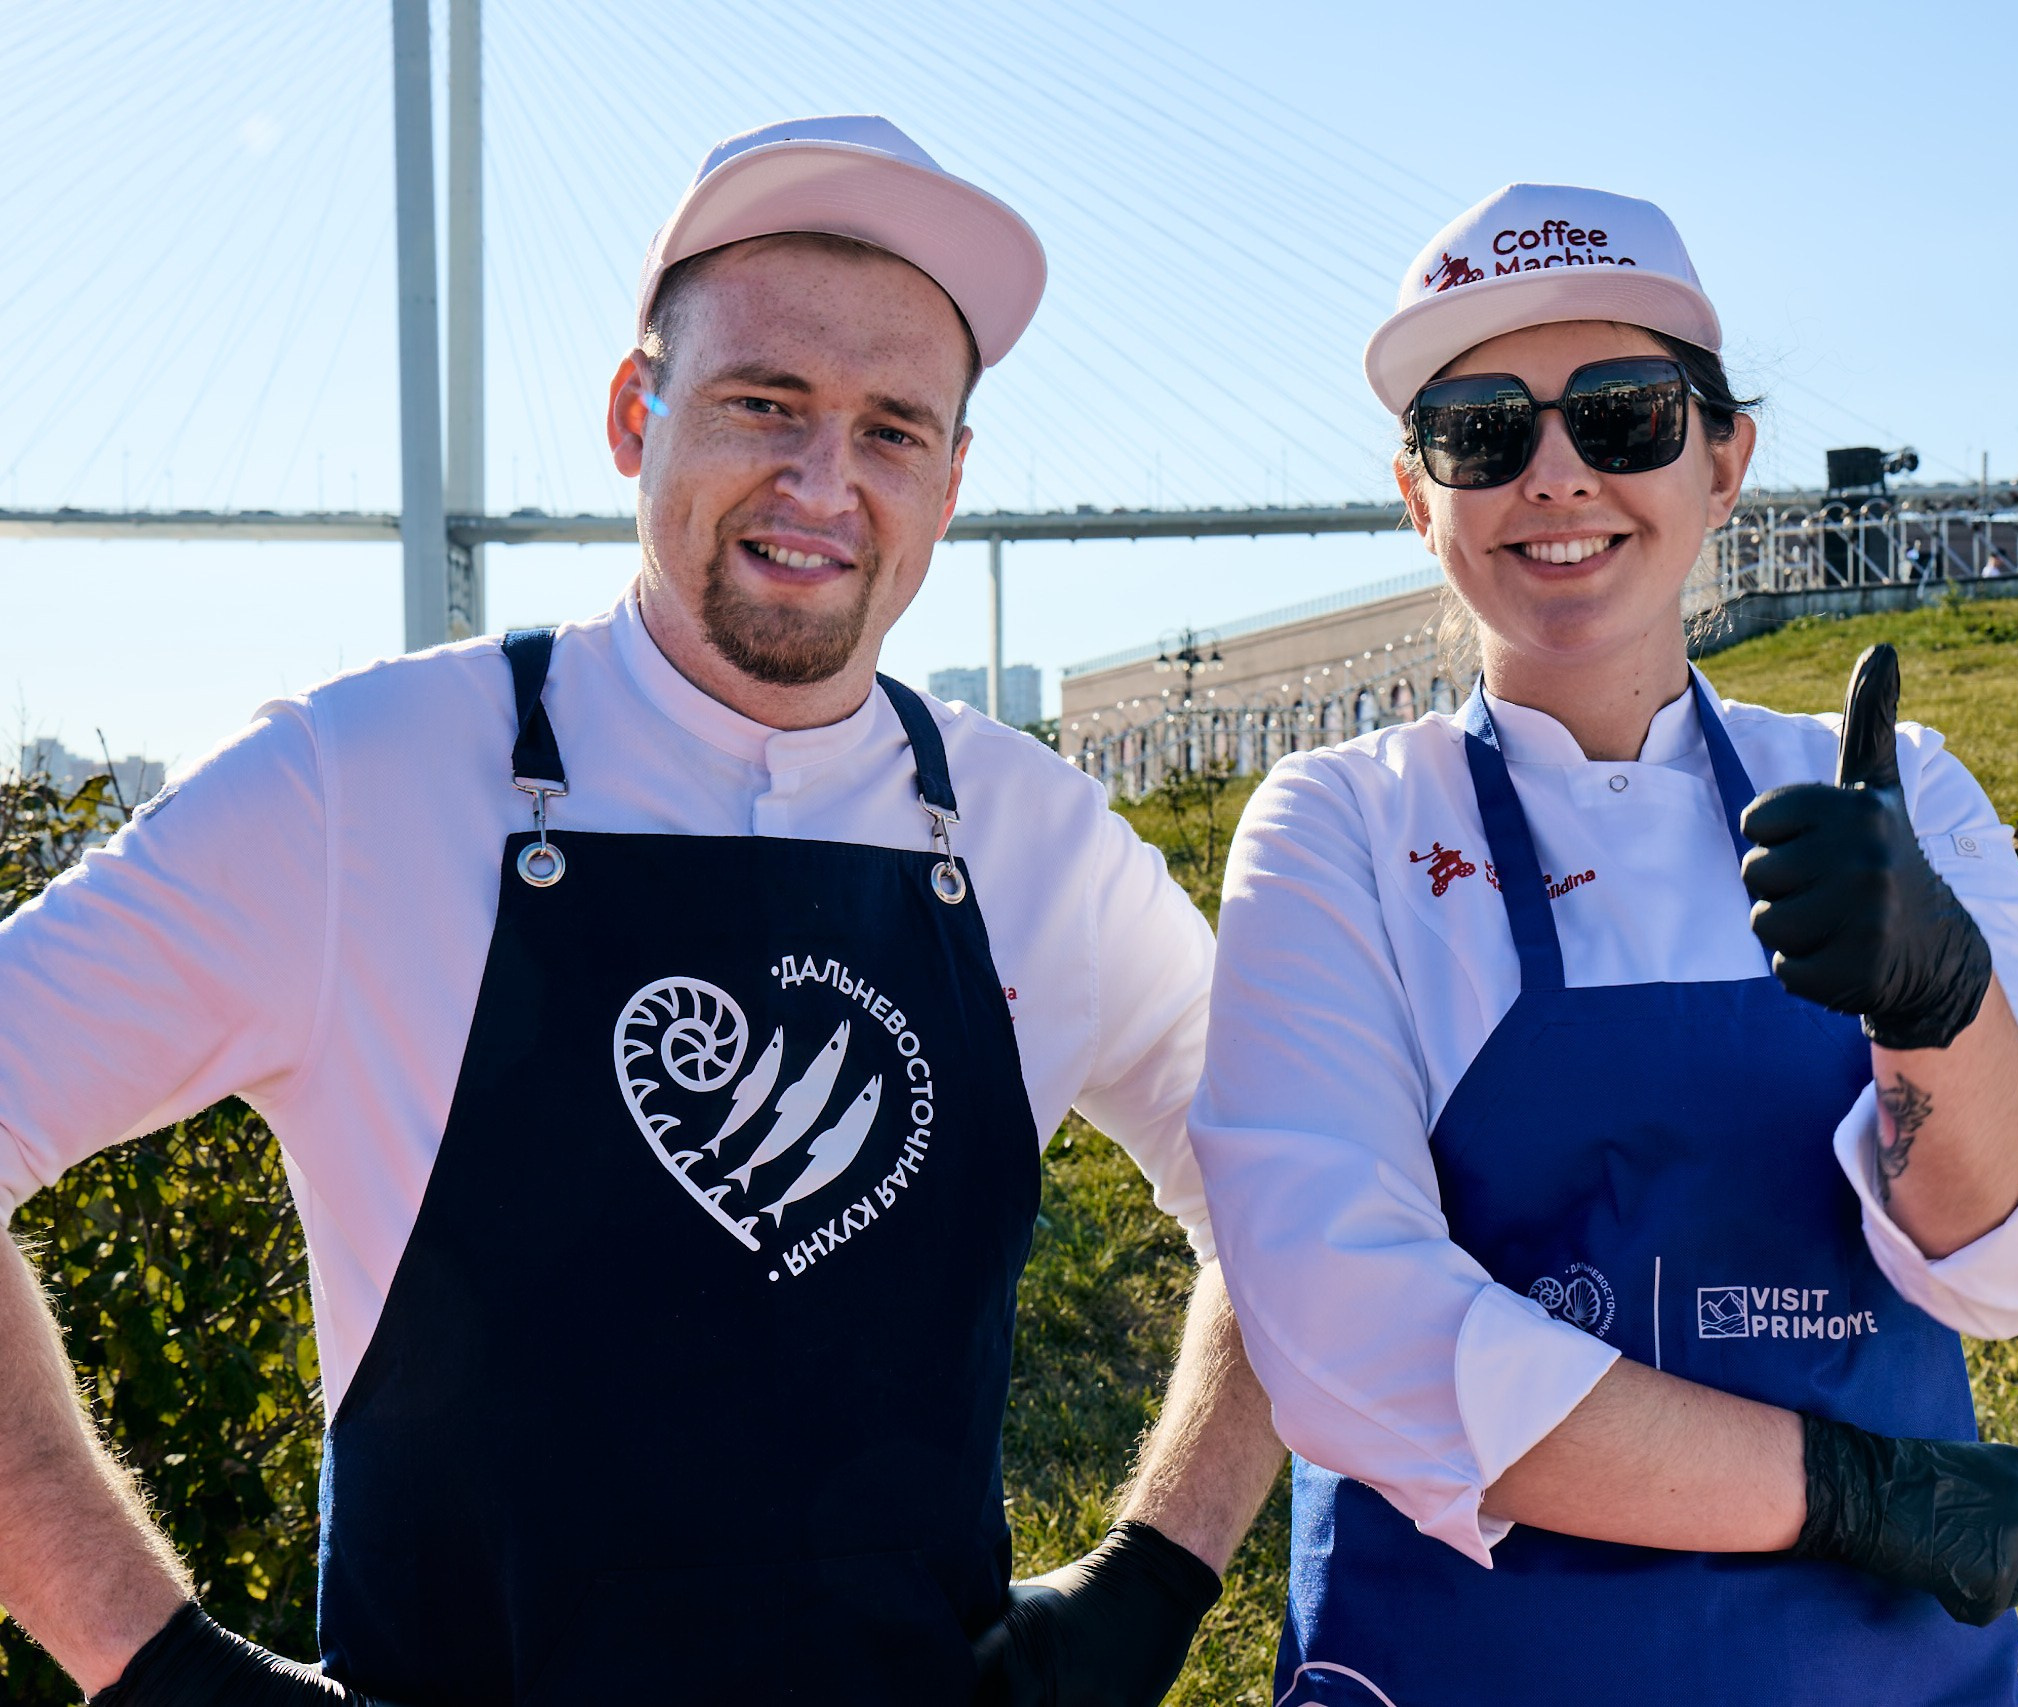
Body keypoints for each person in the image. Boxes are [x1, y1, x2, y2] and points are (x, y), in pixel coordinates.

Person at [0, 116, 1282, 1707]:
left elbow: (1297, 1194)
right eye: (765, 402)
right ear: (634, 410)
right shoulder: (363, 785)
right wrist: (156, 1665)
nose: (825, 482)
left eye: (894, 430)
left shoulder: (1039, 843)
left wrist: (1150, 1587)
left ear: (953, 484)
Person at [1189, 184, 2018, 1705]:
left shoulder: (1900, 795)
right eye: (1483, 431)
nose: (1555, 476)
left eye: (1622, 415)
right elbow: (1348, 1331)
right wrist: (1852, 1494)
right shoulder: (1339, 830)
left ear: (1723, 457)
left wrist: (1934, 1001)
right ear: (1420, 495)